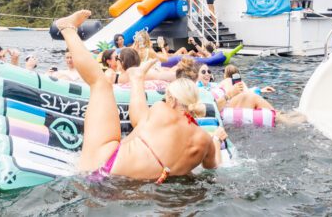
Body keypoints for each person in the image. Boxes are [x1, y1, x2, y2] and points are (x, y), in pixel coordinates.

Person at [54, 10, 227, 180]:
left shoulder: (162, 110)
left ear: (172, 98)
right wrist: (217, 141)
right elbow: (213, 167)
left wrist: (137, 79)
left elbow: (137, 118)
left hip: (103, 166)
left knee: (101, 84)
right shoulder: (205, 141)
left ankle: (67, 28)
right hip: (123, 188)